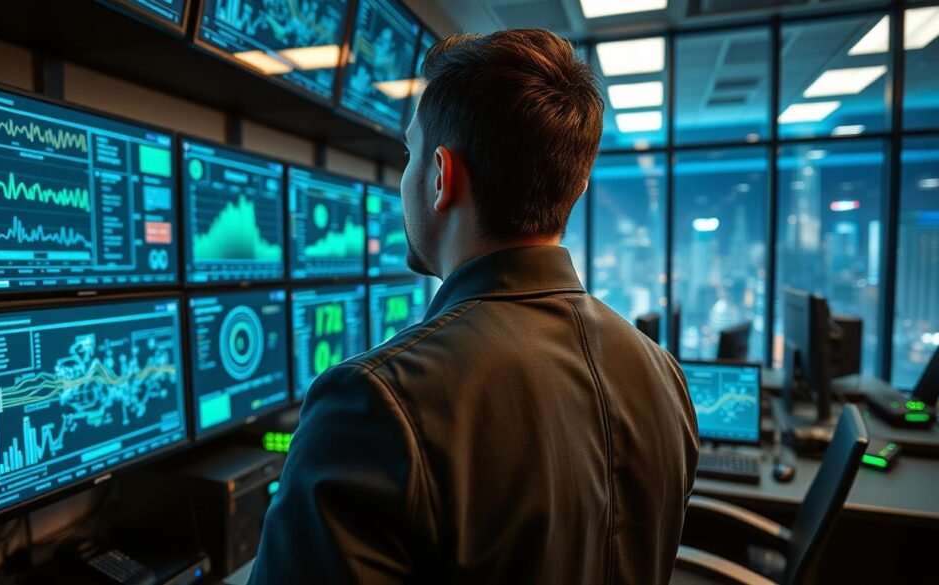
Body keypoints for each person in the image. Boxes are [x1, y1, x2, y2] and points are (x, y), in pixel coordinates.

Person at [250, 28, 699, 585]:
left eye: (411, 154)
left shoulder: (374, 401)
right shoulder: (662, 374)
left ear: (441, 176)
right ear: (577, 186)